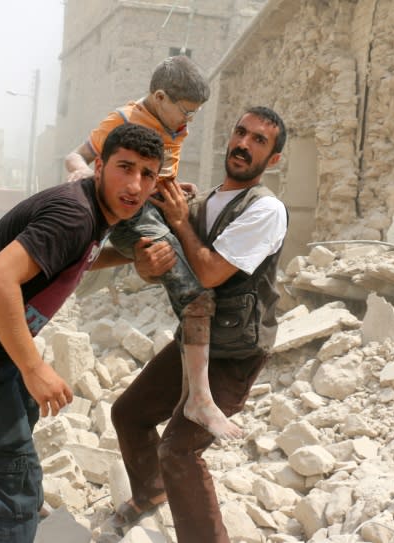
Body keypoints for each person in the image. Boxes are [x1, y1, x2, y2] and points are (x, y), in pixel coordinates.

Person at [0, 123, 165, 543]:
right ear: (100, 166)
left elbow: (72, 256)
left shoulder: (92, 211)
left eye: (147, 174)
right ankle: (11, 517)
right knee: (15, 490)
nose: (135, 184)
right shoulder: (74, 215)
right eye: (125, 167)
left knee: (16, 453)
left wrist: (129, 261)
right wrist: (33, 368)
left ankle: (9, 508)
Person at [110, 106, 288, 542]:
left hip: (235, 352)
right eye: (241, 132)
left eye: (259, 140)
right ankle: (152, 494)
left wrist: (178, 221)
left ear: (274, 159)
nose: (244, 144)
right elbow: (165, 265)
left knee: (180, 450)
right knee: (129, 413)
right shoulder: (203, 201)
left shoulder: (267, 210)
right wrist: (147, 258)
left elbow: (208, 273)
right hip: (196, 340)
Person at [65, 56, 242, 441]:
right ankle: (199, 399)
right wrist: (80, 172)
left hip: (158, 204)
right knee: (195, 298)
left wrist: (177, 186)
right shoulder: (123, 120)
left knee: (215, 229)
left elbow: (163, 173)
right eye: (186, 112)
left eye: (194, 115)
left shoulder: (173, 125)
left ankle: (210, 355)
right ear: (160, 97)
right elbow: (76, 155)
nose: (188, 122)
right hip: (133, 213)